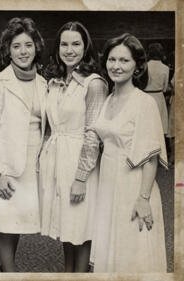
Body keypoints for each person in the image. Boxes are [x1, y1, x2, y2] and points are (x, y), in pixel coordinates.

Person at [90, 33, 167, 272]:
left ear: (137, 66)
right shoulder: (108, 98)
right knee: (110, 248)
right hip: (108, 181)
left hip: (133, 184)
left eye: (124, 61)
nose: (116, 66)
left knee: (132, 250)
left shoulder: (144, 102)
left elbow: (151, 158)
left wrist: (143, 199)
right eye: (112, 60)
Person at [39, 21, 108, 272]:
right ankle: (68, 272)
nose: (70, 50)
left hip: (80, 161)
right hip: (58, 157)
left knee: (82, 224)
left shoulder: (94, 83)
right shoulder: (55, 81)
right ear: (57, 48)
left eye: (76, 44)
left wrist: (81, 177)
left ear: (86, 47)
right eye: (64, 44)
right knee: (67, 224)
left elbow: (93, 134)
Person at [0, 17, 47, 272]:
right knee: (7, 225)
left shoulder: (43, 83)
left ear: (36, 47)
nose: (23, 51)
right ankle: (8, 272)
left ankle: (6, 269)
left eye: (28, 45)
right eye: (16, 46)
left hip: (34, 163)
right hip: (7, 164)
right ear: (7, 49)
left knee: (19, 223)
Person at [144, 43, 169, 134]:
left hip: (145, 96)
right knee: (158, 127)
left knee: (146, 125)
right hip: (159, 98)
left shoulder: (145, 66)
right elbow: (165, 88)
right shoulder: (165, 68)